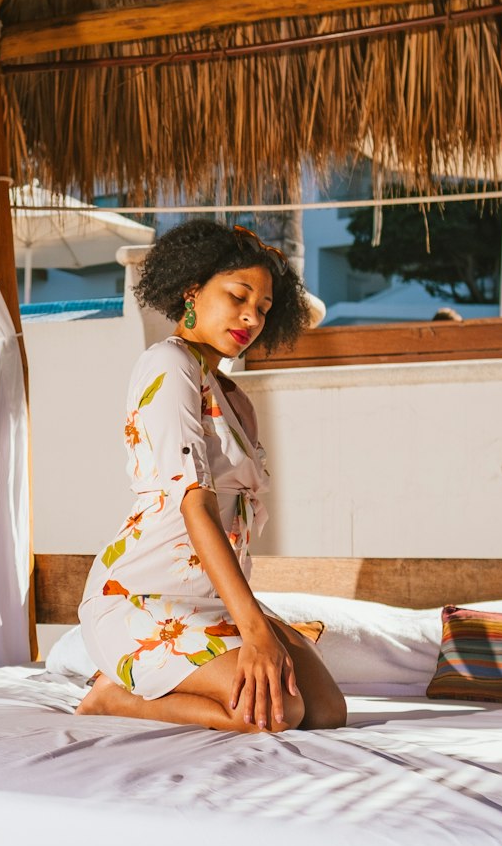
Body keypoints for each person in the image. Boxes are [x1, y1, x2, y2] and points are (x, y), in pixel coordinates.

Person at [77, 218, 347, 735]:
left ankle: (147, 680)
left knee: (328, 710)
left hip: (206, 602)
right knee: (280, 713)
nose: (251, 316)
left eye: (264, 309)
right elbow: (194, 505)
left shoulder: (234, 397)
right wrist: (254, 630)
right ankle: (112, 696)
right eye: (238, 296)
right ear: (193, 290)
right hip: (138, 597)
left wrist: (257, 622)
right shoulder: (168, 363)